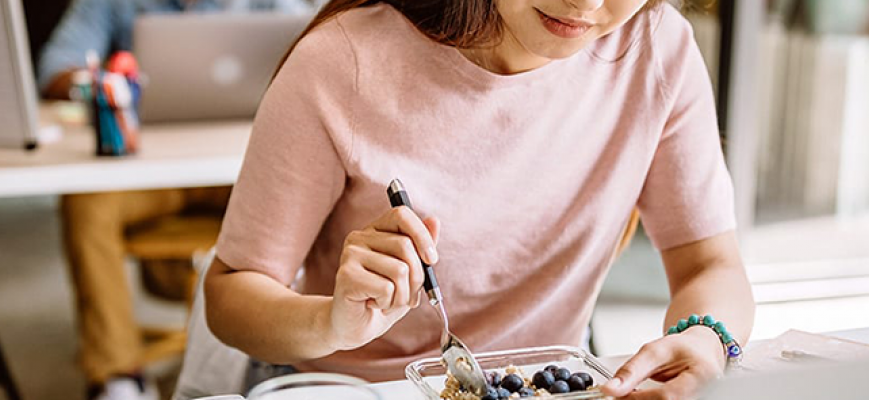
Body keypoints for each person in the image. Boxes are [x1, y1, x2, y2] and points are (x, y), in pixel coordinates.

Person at [204, 0, 756, 399]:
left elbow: (711, 266)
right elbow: (230, 297)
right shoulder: (341, 61)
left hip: (543, 388)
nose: (587, 4)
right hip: (347, 389)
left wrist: (706, 339)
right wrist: (332, 322)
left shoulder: (658, 47)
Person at [37, 1, 314, 400]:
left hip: (242, 167)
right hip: (147, 172)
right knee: (86, 203)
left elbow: (320, 53)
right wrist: (103, 83)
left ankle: (281, 358)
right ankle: (118, 378)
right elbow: (53, 70)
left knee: (304, 195)